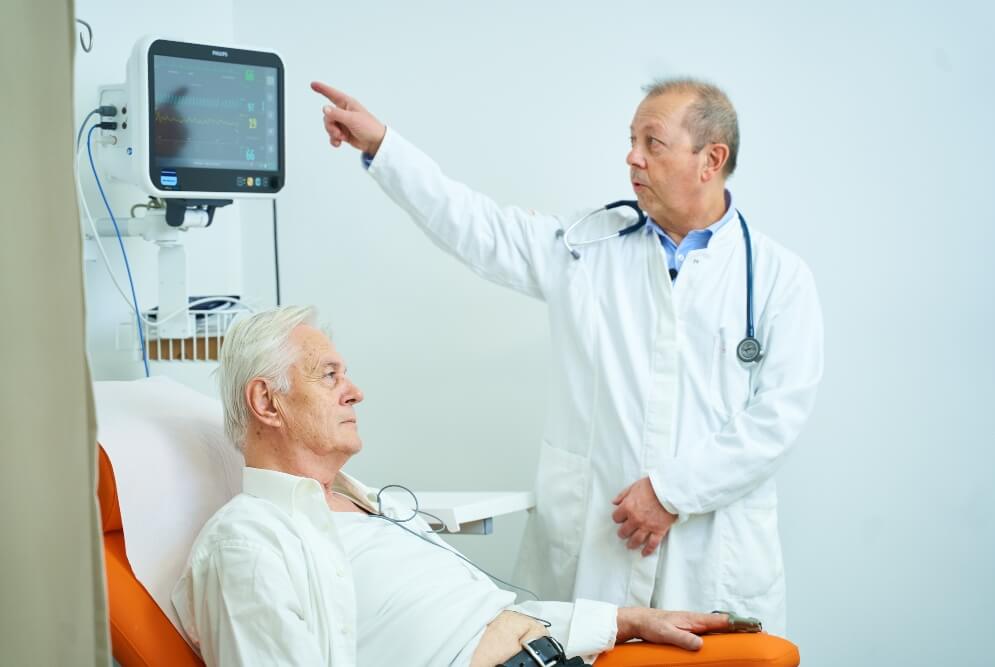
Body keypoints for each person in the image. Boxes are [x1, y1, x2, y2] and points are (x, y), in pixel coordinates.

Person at [310, 77, 824, 634]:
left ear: (711, 159)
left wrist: (671, 492)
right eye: (631, 139)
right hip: (597, 551)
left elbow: (778, 418)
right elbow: (477, 227)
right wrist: (384, 146)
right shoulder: (587, 245)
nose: (632, 157)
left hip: (710, 553)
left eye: (653, 143)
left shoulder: (778, 278)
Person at [170, 306, 736, 667]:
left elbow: (489, 618)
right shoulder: (248, 542)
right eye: (329, 375)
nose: (355, 391)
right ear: (267, 402)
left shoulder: (371, 506)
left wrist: (623, 619)